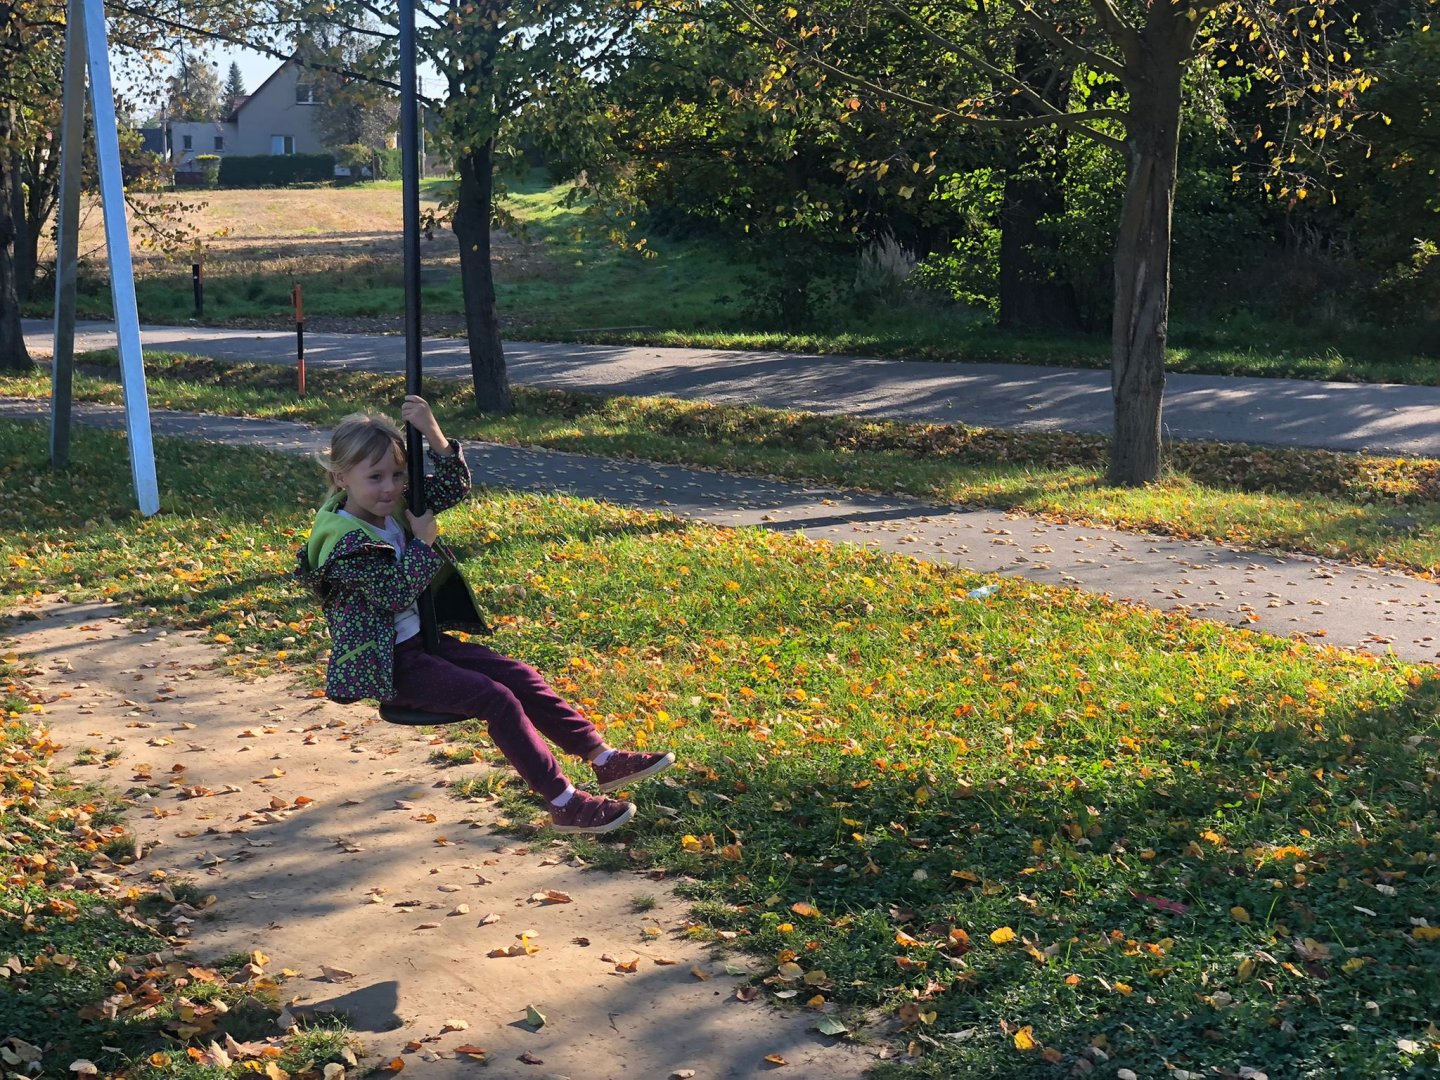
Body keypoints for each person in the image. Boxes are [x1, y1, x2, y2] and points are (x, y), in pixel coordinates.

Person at [295, 396, 674, 833]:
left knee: (520, 676)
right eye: (375, 477)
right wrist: (422, 543)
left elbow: (453, 487)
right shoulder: (343, 540)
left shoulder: (393, 508)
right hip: (391, 665)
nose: (390, 487)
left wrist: (433, 432)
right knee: (496, 698)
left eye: (398, 474)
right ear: (340, 477)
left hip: (424, 643)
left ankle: (603, 758)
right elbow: (393, 593)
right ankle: (564, 802)